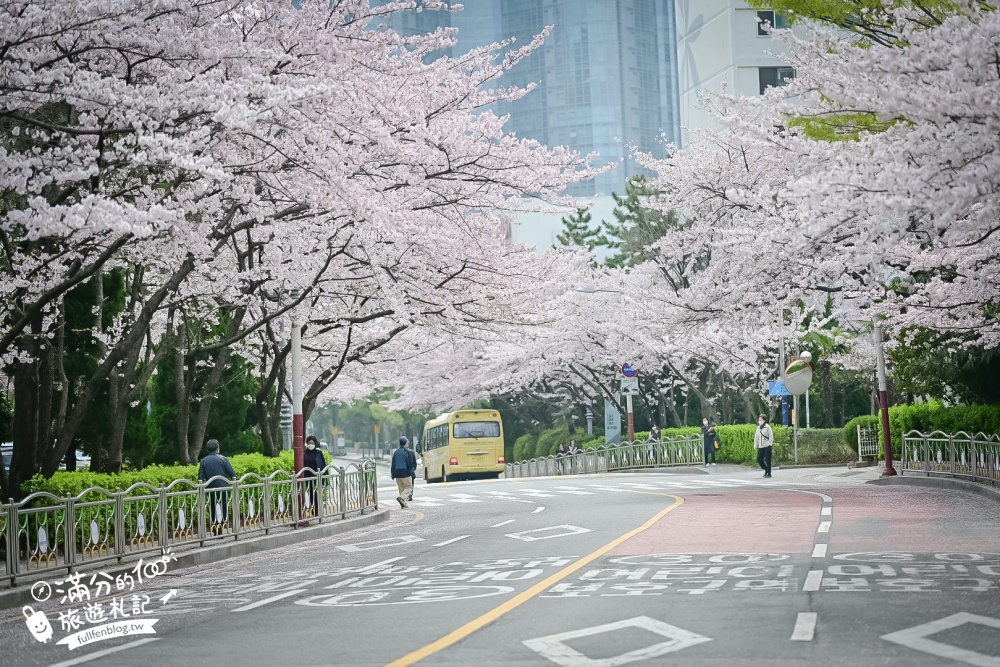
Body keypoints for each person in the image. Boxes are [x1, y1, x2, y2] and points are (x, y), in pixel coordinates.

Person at [198, 439, 236, 531]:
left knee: (213, 508)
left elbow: (200, 477)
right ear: (217, 448)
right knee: (223, 507)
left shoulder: (203, 461)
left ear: (208, 449)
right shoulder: (224, 459)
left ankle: (215, 527)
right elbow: (233, 474)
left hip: (211, 489)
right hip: (223, 488)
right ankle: (222, 527)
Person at [303, 435, 326, 515]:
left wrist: (325, 476)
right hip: (308, 476)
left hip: (317, 476)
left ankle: (318, 509)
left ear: (315, 443)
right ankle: (313, 509)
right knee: (312, 493)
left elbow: (323, 464)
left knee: (318, 493)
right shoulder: (304, 453)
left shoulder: (318, 452)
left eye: (312, 443)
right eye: (309, 443)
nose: (310, 444)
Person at [391, 437, 414, 508]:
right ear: (406, 443)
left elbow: (393, 464)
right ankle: (402, 498)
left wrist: (393, 474)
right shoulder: (408, 451)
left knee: (401, 489)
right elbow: (410, 463)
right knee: (409, 487)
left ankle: (403, 504)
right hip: (405, 472)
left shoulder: (396, 452)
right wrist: (412, 472)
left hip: (397, 473)